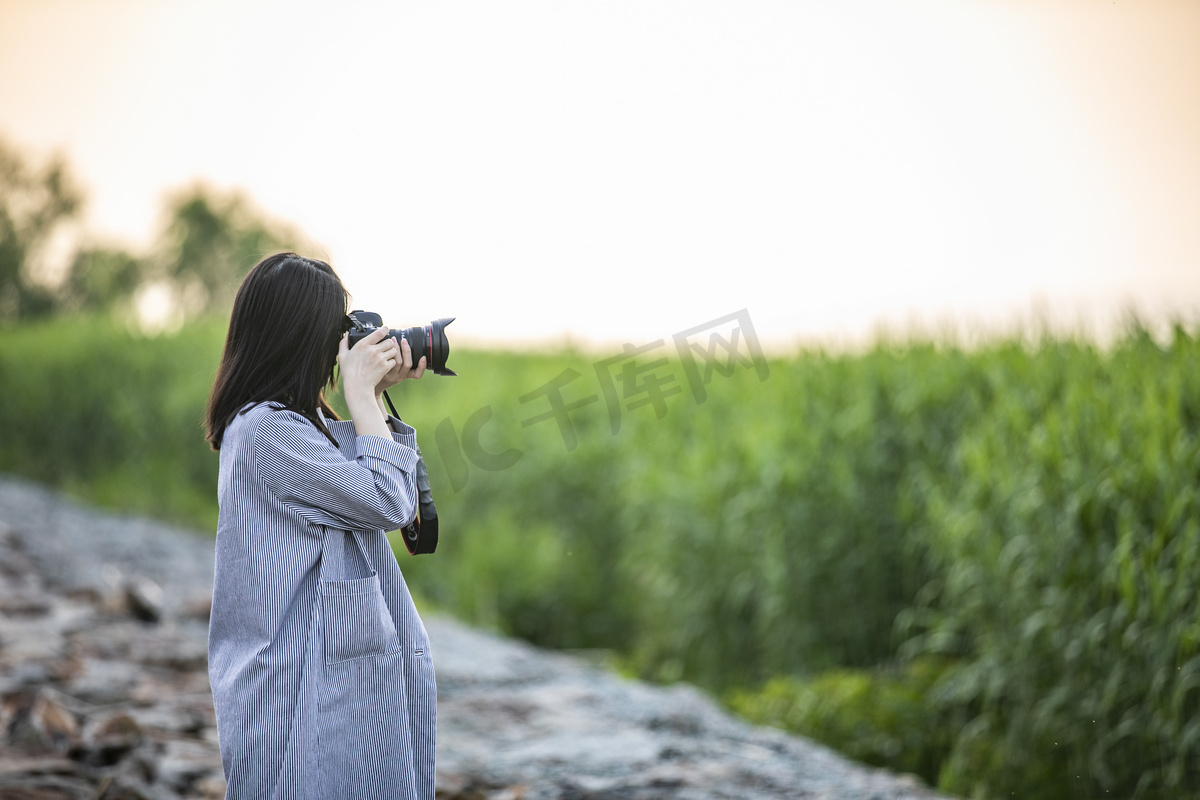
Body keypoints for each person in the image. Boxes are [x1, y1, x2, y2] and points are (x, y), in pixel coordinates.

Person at [204, 252, 435, 799]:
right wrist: (358, 392)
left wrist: (373, 396)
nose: (341, 348)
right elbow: (385, 498)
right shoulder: (265, 432)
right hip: (293, 694)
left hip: (326, 684)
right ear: (300, 338)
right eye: (335, 331)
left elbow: (360, 479)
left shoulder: (297, 426)